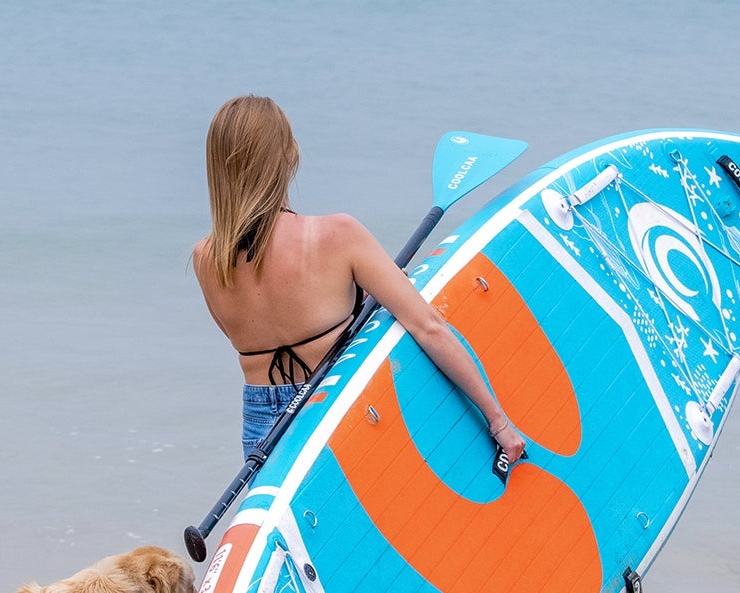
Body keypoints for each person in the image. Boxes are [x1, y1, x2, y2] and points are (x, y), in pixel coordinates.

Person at [192, 95, 528, 467]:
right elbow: (430, 328)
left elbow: (271, 326)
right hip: (337, 414)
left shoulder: (206, 259)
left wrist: (354, 300)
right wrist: (498, 422)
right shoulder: (336, 235)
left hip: (261, 430)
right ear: (287, 157)